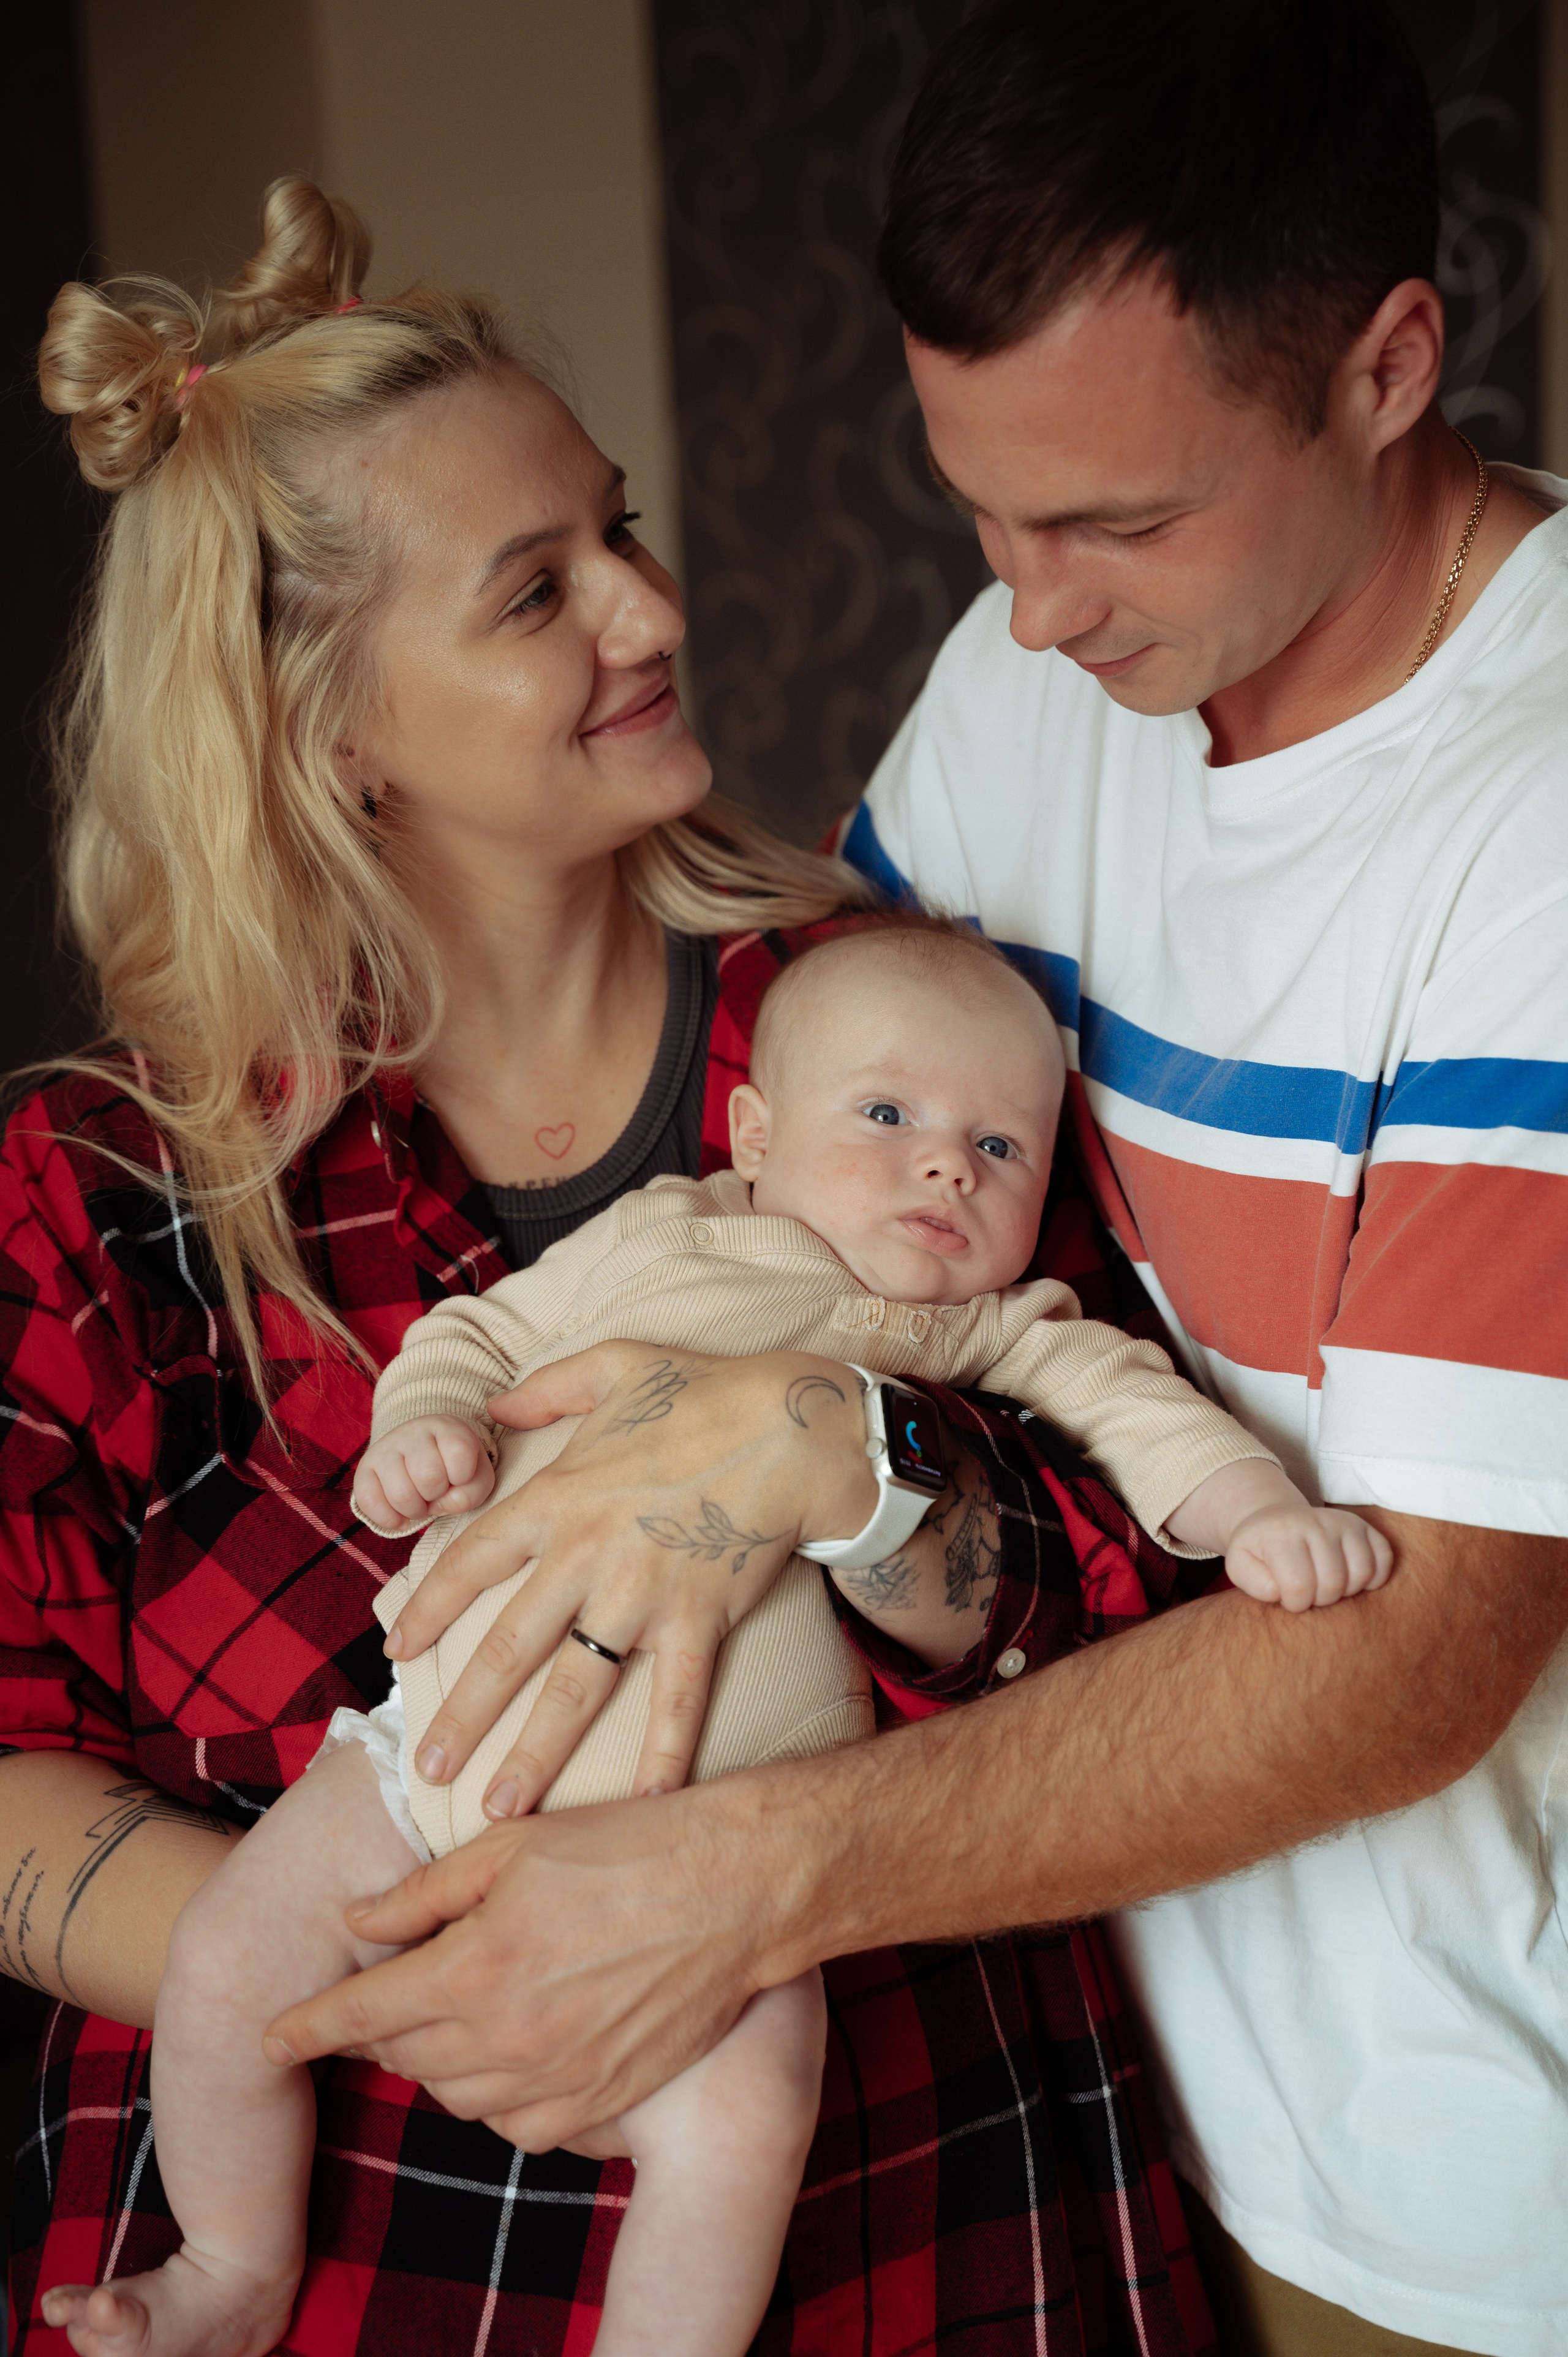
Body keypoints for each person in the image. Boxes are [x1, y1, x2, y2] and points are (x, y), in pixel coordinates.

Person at [258, 8, 1568, 2355]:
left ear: (1386, 366)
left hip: (1458, 2180)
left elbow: (1420, 1659)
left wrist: (733, 1868)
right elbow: (806, 1202)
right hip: (1116, 2093)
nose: (1032, 606)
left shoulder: (1536, 819)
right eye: (982, 497)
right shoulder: (1028, 675)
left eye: (1118, 518)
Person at [1, 178, 1216, 2355]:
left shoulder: (892, 1036)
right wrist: (435, 1952)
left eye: (622, 529)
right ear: (335, 729)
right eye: (538, 587)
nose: (652, 610)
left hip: (911, 2229)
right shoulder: (107, 1187)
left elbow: (1128, 1602)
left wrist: (829, 1448)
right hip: (355, 2265)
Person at [43, 915, 1387, 2357]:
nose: (947, 1164)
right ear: (753, 1130)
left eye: (1002, 1149)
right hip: (412, 1765)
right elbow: (477, 1338)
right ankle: (234, 2261)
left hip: (713, 1863)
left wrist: (1251, 1510)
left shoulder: (959, 1329)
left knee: (743, 2129)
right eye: (886, 1116)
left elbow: (1124, 1398)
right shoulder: (663, 1234)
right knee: (228, 1961)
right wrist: (421, 1425)